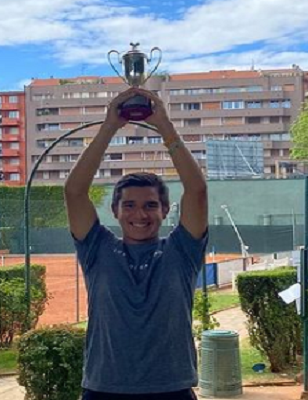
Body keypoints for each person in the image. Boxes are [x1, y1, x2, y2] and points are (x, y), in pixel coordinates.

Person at [64, 87, 208, 399]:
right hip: (104, 389)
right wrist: (109, 127)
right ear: (114, 210)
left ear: (165, 210)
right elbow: (74, 191)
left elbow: (196, 190)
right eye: (129, 205)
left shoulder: (181, 251)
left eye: (150, 205)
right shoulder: (98, 249)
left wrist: (164, 126)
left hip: (171, 389)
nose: (139, 214)